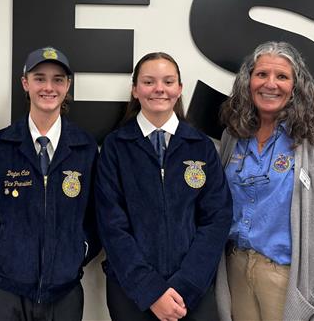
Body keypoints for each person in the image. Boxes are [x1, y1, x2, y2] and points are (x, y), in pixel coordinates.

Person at [215, 41, 314, 321]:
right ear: (248, 81)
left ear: (296, 86)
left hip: (287, 281)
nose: (270, 84)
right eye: (261, 75)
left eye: (282, 76)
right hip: (236, 271)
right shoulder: (233, 137)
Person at [0, 46, 99, 321]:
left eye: (58, 79)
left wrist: (81, 248)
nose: (48, 87)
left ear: (67, 86)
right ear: (25, 83)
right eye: (40, 78)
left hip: (64, 293)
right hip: (5, 292)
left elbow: (100, 212)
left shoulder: (85, 148)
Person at [96, 52, 232, 321]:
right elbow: (112, 227)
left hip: (192, 294)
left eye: (168, 82)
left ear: (179, 89)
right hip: (131, 292)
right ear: (135, 90)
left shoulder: (200, 146)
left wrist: (184, 286)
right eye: (149, 82)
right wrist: (151, 291)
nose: (159, 89)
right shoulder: (115, 147)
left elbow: (217, 219)